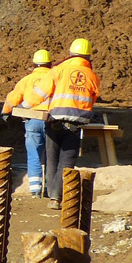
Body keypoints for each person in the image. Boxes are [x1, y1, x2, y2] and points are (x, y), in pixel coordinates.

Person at [44, 38, 100, 208]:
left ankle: (51, 194)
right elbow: (93, 98)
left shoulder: (58, 70)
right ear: (88, 57)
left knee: (51, 158)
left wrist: (28, 106)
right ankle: (56, 197)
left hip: (54, 121)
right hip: (75, 125)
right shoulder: (92, 76)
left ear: (70, 54)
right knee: (66, 162)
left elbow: (41, 91)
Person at [1, 49, 55, 196]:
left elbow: (13, 99)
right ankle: (51, 191)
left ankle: (35, 190)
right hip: (53, 122)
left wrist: (5, 111)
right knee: (52, 157)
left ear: (35, 64)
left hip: (32, 121)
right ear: (50, 63)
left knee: (34, 156)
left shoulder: (26, 80)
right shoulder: (55, 79)